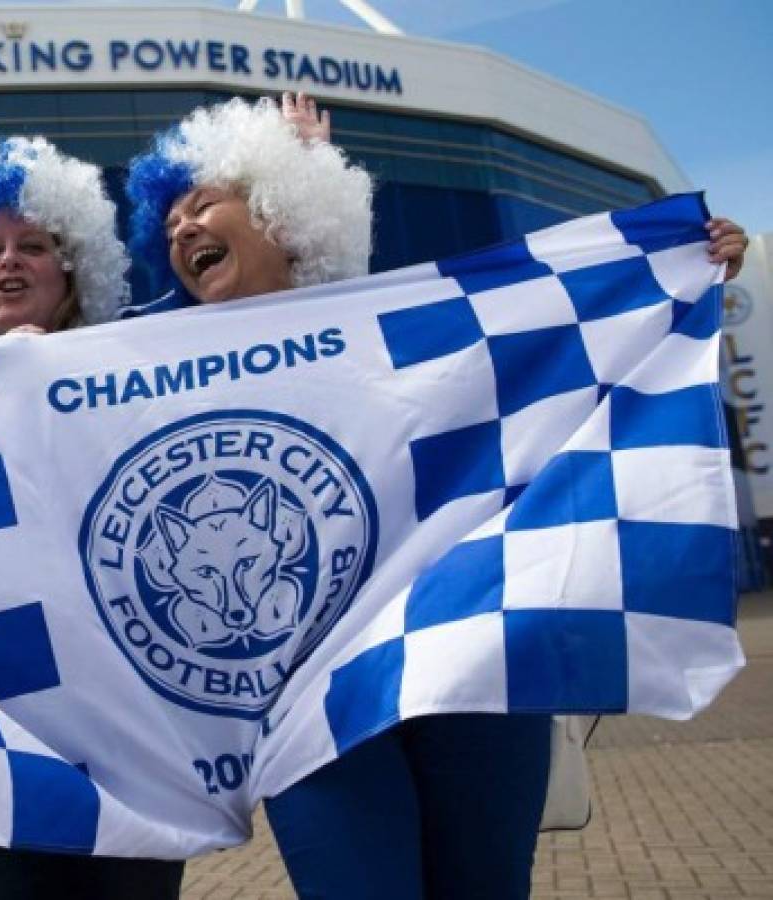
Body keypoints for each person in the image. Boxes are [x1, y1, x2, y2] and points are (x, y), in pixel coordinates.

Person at [124, 92, 750, 899]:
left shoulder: (418, 330)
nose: (179, 230)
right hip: (304, 708)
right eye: (169, 222)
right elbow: (59, 397)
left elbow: (564, 363)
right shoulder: (153, 366)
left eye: (202, 205)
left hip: (469, 672)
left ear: (281, 214)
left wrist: (681, 265)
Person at [0, 136, 184, 900]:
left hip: (131, 742)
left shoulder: (136, 362)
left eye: (33, 245)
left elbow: (245, 318)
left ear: (73, 268)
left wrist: (292, 192)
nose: (9, 261)